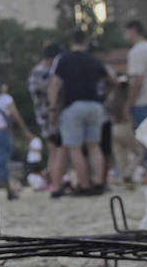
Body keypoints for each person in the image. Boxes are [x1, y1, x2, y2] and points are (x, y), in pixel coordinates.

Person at [48, 30, 115, 196]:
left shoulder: (64, 60)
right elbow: (112, 79)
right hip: (95, 105)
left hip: (73, 105)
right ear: (86, 42)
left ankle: (84, 185)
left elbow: (55, 84)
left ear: (72, 42)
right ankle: (99, 182)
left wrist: (53, 107)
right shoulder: (93, 60)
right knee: (94, 146)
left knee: (75, 148)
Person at [122, 21, 147, 171]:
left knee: (145, 140)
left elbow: (137, 80)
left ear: (133, 31)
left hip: (142, 101)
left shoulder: (137, 52)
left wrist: (129, 103)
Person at [28, 43, 64, 192]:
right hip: (50, 114)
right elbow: (52, 90)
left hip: (43, 115)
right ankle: (54, 180)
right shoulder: (45, 72)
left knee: (53, 149)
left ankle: (51, 178)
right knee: (57, 148)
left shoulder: (35, 72)